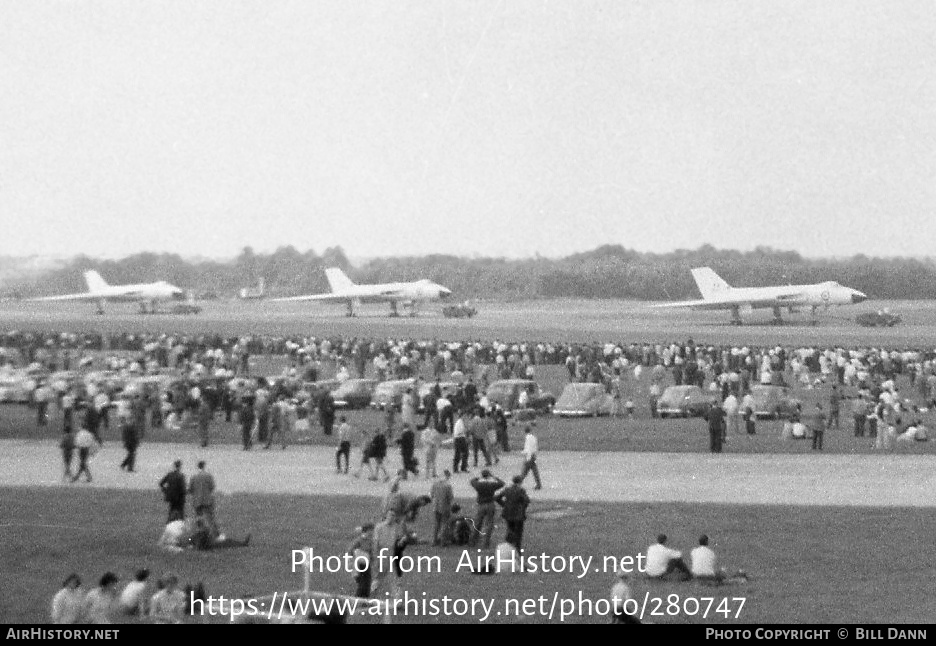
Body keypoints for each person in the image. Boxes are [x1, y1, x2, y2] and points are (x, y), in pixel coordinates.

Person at [469, 469, 505, 549]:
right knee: (489, 524)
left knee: (478, 523)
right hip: (490, 504)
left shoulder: (478, 485)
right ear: (488, 476)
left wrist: (478, 477)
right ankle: (486, 543)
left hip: (481, 505)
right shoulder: (491, 484)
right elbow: (502, 483)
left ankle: (473, 541)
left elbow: (472, 481)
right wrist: (493, 477)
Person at [495, 475, 530, 549]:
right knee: (518, 532)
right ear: (520, 482)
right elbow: (526, 500)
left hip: (508, 513)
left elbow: (497, 498)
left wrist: (504, 505)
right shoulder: (521, 490)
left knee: (510, 530)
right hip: (518, 514)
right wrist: (523, 508)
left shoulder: (507, 489)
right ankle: (517, 548)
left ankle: (508, 546)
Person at [188, 461, 217, 537]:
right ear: (204, 466)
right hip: (207, 500)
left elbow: (190, 489)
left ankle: (200, 534)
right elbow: (212, 487)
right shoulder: (208, 476)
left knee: (198, 518)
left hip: (197, 500)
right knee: (210, 518)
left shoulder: (194, 476)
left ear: (198, 467)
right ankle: (214, 534)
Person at [346, 523, 375, 598]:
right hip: (359, 564)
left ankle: (365, 600)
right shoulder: (359, 540)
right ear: (367, 531)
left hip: (366, 564)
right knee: (362, 583)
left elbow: (371, 553)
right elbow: (350, 550)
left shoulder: (370, 541)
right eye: (371, 530)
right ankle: (357, 599)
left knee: (367, 583)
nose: (372, 532)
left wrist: (372, 558)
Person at [430, 470, 454, 546]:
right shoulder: (448, 485)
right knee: (444, 523)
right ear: (447, 476)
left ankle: (434, 540)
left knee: (436, 523)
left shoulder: (435, 484)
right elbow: (450, 497)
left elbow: (432, 494)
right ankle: (443, 541)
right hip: (444, 506)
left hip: (435, 506)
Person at [119, 404, 140, 472]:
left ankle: (124, 464)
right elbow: (134, 435)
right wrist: (136, 441)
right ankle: (129, 468)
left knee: (131, 454)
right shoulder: (130, 425)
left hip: (129, 441)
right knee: (132, 454)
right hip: (131, 442)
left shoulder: (127, 425)